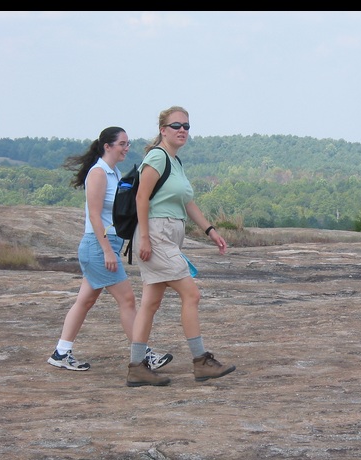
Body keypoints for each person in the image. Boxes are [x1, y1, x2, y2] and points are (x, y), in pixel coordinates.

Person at [47, 126, 173, 372]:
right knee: (127, 299)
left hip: (105, 245)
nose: (127, 148)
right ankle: (143, 355)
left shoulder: (113, 172)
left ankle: (61, 352)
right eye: (122, 144)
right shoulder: (98, 173)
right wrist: (106, 250)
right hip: (98, 246)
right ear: (108, 146)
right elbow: (95, 216)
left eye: (128, 143)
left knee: (84, 301)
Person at [127, 106, 235, 387]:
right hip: (156, 233)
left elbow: (188, 203)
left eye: (187, 126)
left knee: (150, 303)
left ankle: (137, 367)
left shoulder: (175, 162)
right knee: (192, 294)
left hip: (169, 233)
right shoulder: (157, 157)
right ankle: (201, 362)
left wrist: (210, 230)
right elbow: (141, 198)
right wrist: (146, 239)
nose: (183, 130)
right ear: (163, 130)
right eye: (177, 126)